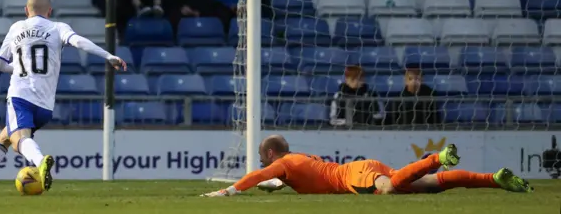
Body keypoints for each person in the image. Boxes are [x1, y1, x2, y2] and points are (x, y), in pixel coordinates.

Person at [0, 0, 127, 196]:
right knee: (5, 137)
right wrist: (108, 56)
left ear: (26, 11)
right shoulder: (58, 27)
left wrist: (17, 68)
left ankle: (41, 161)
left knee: (18, 140)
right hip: (45, 104)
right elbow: (79, 42)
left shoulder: (16, 27)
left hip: (20, 95)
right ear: (49, 11)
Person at [201, 135, 533, 197]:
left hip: (354, 177)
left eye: (264, 159)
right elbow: (270, 182)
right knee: (431, 185)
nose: (263, 164)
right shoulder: (298, 161)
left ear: (272, 155)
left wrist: (227, 190)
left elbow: (261, 175)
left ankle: (434, 157)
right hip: (362, 166)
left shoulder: (283, 163)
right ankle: (496, 179)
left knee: (388, 189)